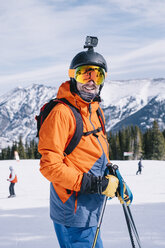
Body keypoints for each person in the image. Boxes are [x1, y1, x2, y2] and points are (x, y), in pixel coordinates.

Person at [38, 36, 119, 248]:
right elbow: (50, 166)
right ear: (74, 77)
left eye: (97, 75)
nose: (91, 81)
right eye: (85, 74)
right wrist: (95, 184)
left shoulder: (94, 110)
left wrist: (112, 174)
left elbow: (93, 151)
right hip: (73, 210)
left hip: (89, 208)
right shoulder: (62, 113)